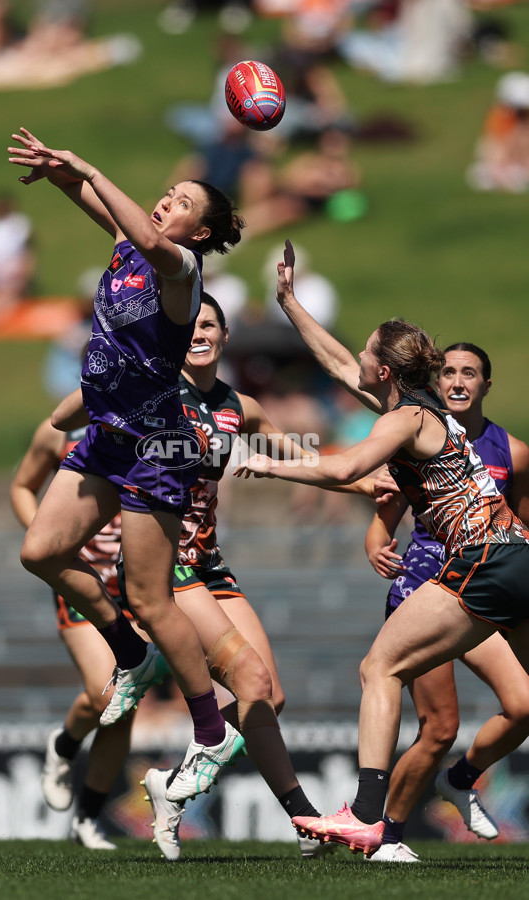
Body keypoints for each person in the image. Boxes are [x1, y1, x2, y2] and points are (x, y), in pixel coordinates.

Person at [50, 292, 382, 859]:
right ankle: (294, 816)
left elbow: (302, 460)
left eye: (211, 325)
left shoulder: (239, 407)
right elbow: (77, 428)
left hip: (210, 564)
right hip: (166, 568)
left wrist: (369, 483)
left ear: (226, 337)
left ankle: (189, 784)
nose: (200, 332)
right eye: (192, 324)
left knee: (269, 698)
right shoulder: (153, 390)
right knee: (250, 686)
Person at [234, 240, 529, 858]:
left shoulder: (403, 421)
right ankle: (379, 814)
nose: (359, 359)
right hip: (515, 557)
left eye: (369, 352)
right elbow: (340, 366)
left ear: (386, 371)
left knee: (380, 668)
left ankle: (368, 815)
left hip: (483, 559)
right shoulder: (420, 412)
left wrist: (265, 462)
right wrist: (289, 303)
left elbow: (348, 472)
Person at [7, 126, 246, 804]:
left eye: (179, 204)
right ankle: (132, 654)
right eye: (166, 196)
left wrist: (86, 159)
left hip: (152, 448)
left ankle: (209, 729)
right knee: (40, 549)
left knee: (150, 596)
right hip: (107, 436)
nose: (164, 203)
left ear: (196, 234)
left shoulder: (182, 271)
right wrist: (58, 170)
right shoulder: (127, 246)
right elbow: (101, 207)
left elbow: (141, 232)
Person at [364, 342, 529, 861]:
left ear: (486, 384)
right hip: (425, 589)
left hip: (483, 587)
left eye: (470, 373)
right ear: (436, 382)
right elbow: (385, 515)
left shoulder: (514, 451)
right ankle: (386, 834)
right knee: (439, 727)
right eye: (449, 373)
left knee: (524, 705)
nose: (458, 382)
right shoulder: (419, 428)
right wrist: (376, 546)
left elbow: (519, 523)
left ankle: (461, 779)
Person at [10, 417, 134, 849]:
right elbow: (23, 486)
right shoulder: (58, 428)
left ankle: (88, 820)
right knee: (106, 691)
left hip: (141, 582)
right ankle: (64, 745)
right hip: (82, 578)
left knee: (127, 700)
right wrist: (46, 537)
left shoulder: (165, 419)